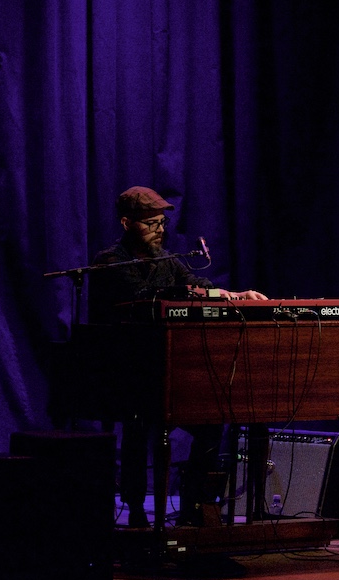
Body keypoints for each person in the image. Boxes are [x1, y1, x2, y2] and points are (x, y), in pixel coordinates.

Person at [88, 186, 267, 527]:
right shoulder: (108, 261)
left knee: (212, 423)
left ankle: (194, 503)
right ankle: (136, 508)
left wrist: (231, 294)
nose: (158, 229)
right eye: (149, 223)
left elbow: (198, 283)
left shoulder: (168, 261)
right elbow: (143, 297)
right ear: (126, 223)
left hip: (169, 370)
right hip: (128, 371)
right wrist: (191, 292)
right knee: (138, 428)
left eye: (161, 222)